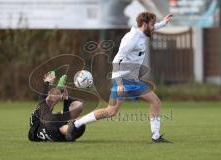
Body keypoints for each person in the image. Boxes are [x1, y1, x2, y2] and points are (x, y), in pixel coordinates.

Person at [66, 12, 173, 143]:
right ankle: (76, 124)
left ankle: (156, 137)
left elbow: (153, 28)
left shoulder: (142, 32)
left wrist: (163, 23)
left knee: (155, 101)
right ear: (144, 24)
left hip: (133, 79)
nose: (153, 27)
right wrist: (120, 83)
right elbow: (117, 60)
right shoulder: (131, 39)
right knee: (111, 111)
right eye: (151, 24)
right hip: (122, 79)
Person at [28, 71, 85, 142]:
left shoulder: (51, 123)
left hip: (37, 120)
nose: (75, 120)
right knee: (78, 105)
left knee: (53, 98)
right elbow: (66, 118)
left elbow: (42, 99)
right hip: (49, 126)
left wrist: (47, 82)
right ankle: (60, 91)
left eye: (74, 122)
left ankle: (59, 90)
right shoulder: (64, 137)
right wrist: (66, 99)